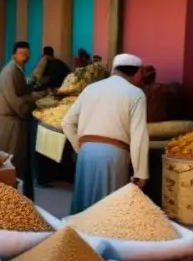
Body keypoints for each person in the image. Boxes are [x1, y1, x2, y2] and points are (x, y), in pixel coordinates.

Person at [62, 53, 149, 214]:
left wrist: (79, 147)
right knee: (109, 213)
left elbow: (66, 122)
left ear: (113, 69)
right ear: (136, 73)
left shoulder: (90, 89)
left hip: (86, 154)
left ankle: (77, 238)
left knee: (84, 208)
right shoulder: (136, 94)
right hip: (114, 156)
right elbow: (139, 136)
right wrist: (140, 172)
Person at [0, 43, 39, 200]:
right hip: (10, 124)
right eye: (22, 53)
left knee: (19, 163)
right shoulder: (10, 72)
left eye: (27, 53)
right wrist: (32, 104)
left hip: (15, 122)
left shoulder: (17, 70)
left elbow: (21, 92)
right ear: (14, 54)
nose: (25, 56)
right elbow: (14, 100)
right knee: (12, 163)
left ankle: (19, 202)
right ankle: (7, 203)